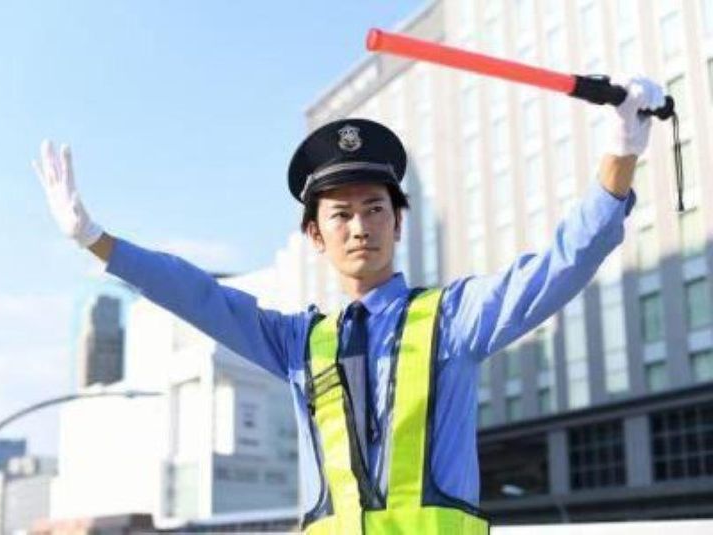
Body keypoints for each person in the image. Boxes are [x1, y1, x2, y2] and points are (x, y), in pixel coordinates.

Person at [33, 76, 666, 534]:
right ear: (316, 235)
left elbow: (561, 263)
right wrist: (98, 240)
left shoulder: (452, 320)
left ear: (398, 222)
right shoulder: (297, 344)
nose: (360, 226)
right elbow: (200, 296)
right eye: (341, 214)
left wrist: (621, 154)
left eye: (374, 209)